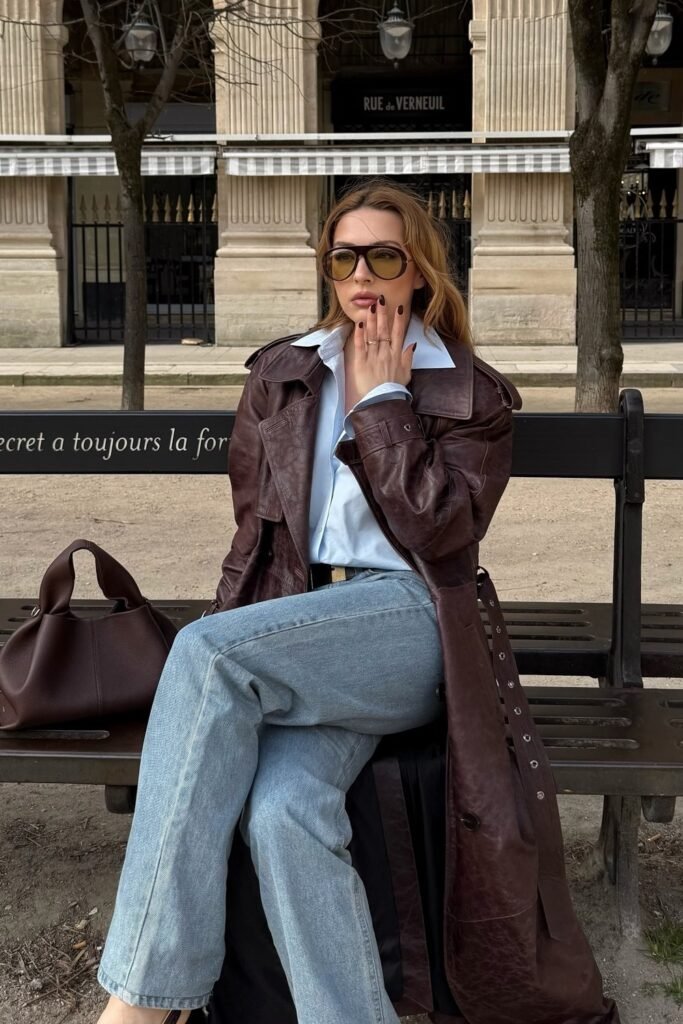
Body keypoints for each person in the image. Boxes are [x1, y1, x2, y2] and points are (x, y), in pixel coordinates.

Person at [95, 179, 522, 1024]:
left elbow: (441, 533)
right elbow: (255, 536)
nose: (362, 275)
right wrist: (248, 622)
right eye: (343, 257)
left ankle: (142, 1001)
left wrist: (384, 405)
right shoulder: (283, 374)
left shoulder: (467, 392)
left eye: (384, 257)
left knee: (205, 653)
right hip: (304, 631)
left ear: (420, 270)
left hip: (412, 625)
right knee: (284, 810)